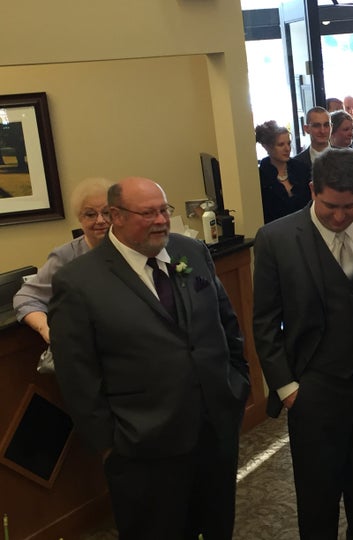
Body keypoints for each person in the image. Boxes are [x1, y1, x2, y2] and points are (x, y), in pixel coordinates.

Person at [48, 177, 251, 540]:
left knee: (218, 526)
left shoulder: (192, 252)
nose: (161, 221)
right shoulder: (78, 282)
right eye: (148, 213)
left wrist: (237, 385)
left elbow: (226, 323)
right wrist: (111, 444)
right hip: (143, 446)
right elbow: (77, 374)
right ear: (116, 216)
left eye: (164, 210)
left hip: (214, 430)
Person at [253, 148, 353, 540]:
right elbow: (264, 321)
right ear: (313, 189)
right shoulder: (276, 239)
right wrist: (287, 388)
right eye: (330, 205)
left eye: (350, 206)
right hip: (312, 390)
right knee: (317, 501)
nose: (339, 216)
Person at [13, 177, 112, 344]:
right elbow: (26, 298)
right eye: (90, 214)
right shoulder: (66, 255)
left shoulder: (134, 248)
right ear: (80, 219)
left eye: (107, 212)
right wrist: (46, 328)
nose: (100, 220)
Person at [255, 120, 311, 224]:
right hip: (275, 231)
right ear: (266, 146)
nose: (287, 148)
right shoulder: (260, 177)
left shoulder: (301, 169)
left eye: (289, 143)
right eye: (281, 145)